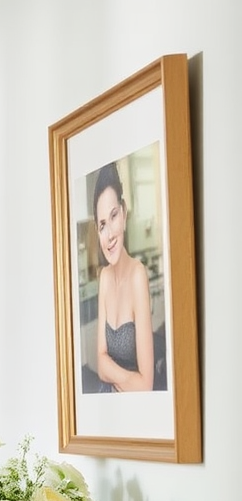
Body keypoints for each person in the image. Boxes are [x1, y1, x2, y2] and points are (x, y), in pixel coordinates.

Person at [92, 162, 154, 392]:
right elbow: (99, 364)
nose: (109, 236)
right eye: (102, 226)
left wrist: (113, 373)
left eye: (114, 215)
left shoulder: (138, 274)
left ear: (124, 212)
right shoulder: (105, 278)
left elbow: (145, 385)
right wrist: (129, 379)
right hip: (107, 398)